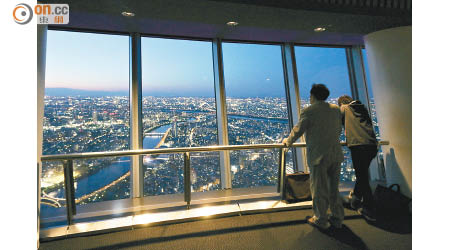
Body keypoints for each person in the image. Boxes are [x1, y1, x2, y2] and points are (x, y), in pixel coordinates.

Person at [282, 84, 344, 230]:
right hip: (335, 154)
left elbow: (298, 130)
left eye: (310, 95)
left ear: (313, 95)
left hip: (318, 156)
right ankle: (337, 218)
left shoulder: (310, 111)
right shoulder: (336, 109)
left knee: (319, 188)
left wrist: (288, 141)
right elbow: (338, 129)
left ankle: (321, 219)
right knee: (333, 189)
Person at [338, 95, 378, 222]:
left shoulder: (344, 108)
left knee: (363, 178)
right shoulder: (362, 108)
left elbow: (336, 124)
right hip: (372, 145)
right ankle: (355, 199)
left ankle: (369, 209)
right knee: (362, 175)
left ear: (342, 103)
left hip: (358, 145)